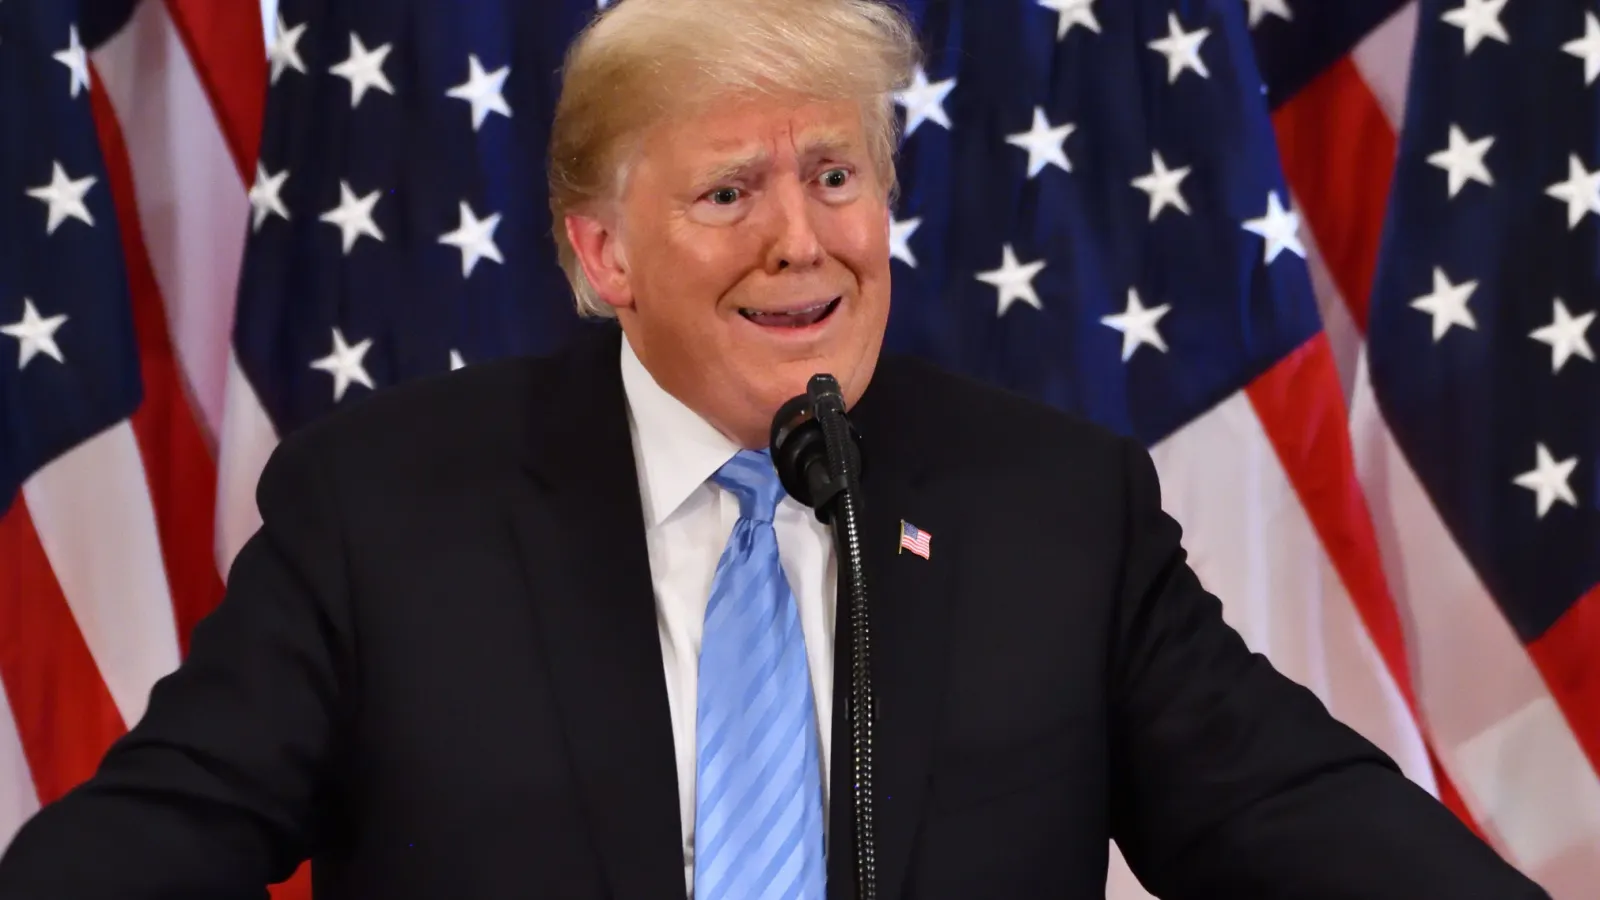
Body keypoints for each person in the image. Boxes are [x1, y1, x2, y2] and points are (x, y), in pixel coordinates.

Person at [0, 0, 1554, 898]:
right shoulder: (389, 510)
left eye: (836, 174)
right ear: (603, 253)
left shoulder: (1053, 512)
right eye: (730, 192)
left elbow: (1313, 829)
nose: (803, 243)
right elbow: (161, 838)